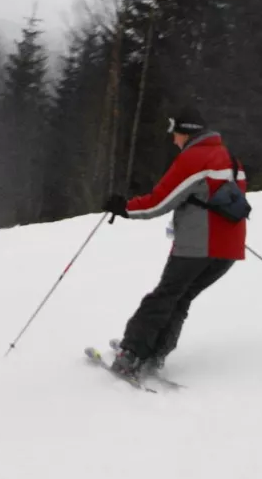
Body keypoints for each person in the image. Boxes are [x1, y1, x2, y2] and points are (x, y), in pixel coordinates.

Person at [103, 106, 247, 379]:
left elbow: (159, 201)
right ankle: (155, 354)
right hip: (229, 248)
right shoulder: (231, 159)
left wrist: (124, 208)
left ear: (187, 133)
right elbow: (227, 199)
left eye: (176, 134)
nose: (173, 140)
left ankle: (131, 355)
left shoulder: (194, 158)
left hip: (198, 245)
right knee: (179, 298)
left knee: (164, 297)